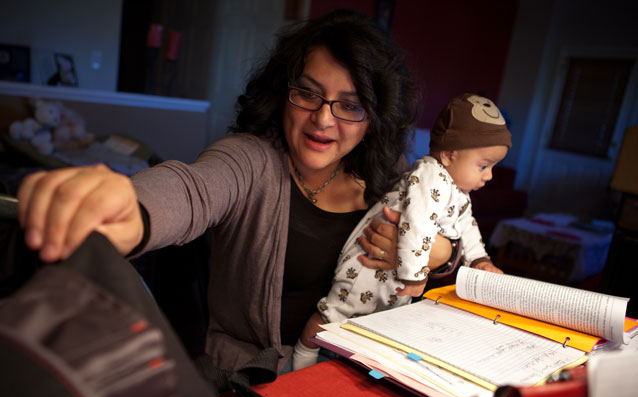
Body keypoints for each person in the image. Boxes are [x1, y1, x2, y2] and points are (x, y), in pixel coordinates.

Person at [16, 10, 452, 372]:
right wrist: (133, 207)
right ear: (285, 93)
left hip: (360, 369)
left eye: (350, 105)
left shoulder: (393, 177)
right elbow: (193, 189)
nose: (322, 119)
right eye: (308, 93)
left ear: (374, 118)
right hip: (258, 381)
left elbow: (446, 249)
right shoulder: (250, 159)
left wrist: (438, 256)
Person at [292, 93, 510, 370]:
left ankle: (345, 367)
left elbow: (467, 228)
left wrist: (480, 260)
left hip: (398, 273)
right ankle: (301, 358)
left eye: (492, 167)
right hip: (367, 264)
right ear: (449, 154)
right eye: (483, 166)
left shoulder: (459, 193)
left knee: (378, 325)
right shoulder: (430, 175)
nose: (489, 176)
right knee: (334, 313)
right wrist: (416, 276)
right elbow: (416, 226)